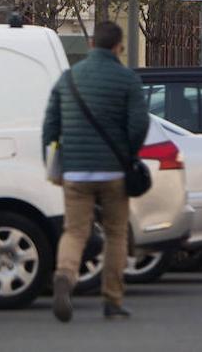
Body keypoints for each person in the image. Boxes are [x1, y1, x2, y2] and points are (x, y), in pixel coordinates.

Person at [41, 20, 149, 322]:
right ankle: (112, 299)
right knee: (115, 233)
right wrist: (129, 154)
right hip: (113, 172)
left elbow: (50, 126)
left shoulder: (68, 79)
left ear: (91, 45)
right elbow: (139, 124)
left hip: (75, 172)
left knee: (75, 231)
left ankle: (64, 274)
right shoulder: (127, 80)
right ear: (119, 47)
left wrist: (50, 163)